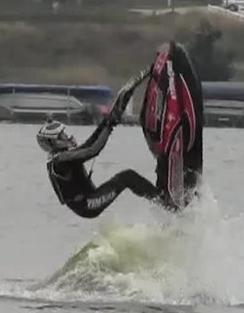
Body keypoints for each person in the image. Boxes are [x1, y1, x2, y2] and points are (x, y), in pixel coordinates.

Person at [39, 71, 163, 219]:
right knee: (127, 177)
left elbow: (88, 144)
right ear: (53, 142)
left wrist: (108, 120)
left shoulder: (59, 157)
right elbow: (93, 150)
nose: (67, 136)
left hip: (88, 200)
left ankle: (161, 198)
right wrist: (109, 126)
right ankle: (164, 202)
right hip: (87, 205)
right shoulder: (61, 161)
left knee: (126, 177)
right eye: (62, 135)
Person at [139, 40, 204, 210]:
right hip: (177, 143)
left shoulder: (171, 69)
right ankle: (180, 212)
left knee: (184, 192)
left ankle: (177, 213)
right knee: (187, 190)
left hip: (177, 140)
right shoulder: (167, 69)